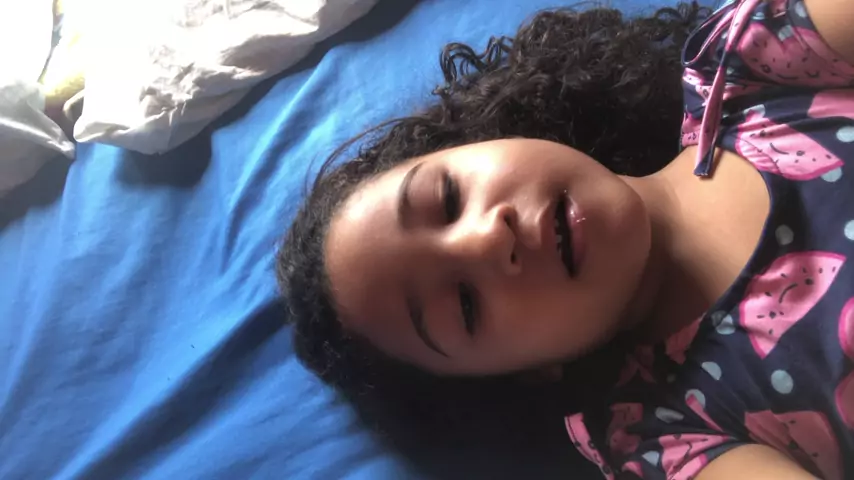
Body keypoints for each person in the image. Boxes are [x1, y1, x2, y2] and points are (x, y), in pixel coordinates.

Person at [277, 0, 854, 477]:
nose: (489, 239)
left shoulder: (752, 63)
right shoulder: (670, 437)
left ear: (484, 137)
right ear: (526, 373)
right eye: (466, 305)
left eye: (447, 199)